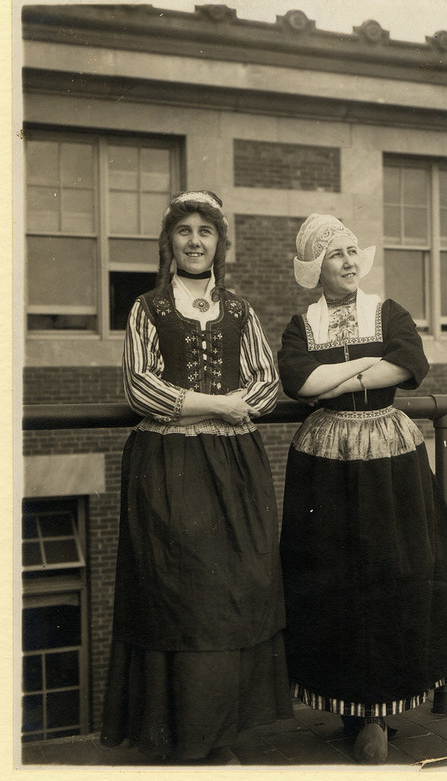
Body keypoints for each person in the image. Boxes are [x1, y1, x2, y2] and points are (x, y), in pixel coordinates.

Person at [277, 214, 447, 764]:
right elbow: (298, 381)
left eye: (353, 251)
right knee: (333, 573)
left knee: (395, 566)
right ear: (315, 268)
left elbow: (409, 362)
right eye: (336, 255)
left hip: (388, 449)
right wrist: (368, 364)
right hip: (325, 455)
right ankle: (351, 709)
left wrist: (340, 374)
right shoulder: (302, 324)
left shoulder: (387, 311)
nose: (349, 262)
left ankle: (382, 710)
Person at [100, 190, 292, 764]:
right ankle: (183, 735)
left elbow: (266, 383)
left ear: (218, 244)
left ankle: (222, 735)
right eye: (183, 231)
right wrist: (217, 405)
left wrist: (237, 406)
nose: (194, 241)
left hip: (235, 467)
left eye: (204, 232)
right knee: (182, 594)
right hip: (169, 464)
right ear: (168, 242)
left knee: (236, 589)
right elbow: (139, 386)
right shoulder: (148, 308)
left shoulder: (240, 310)